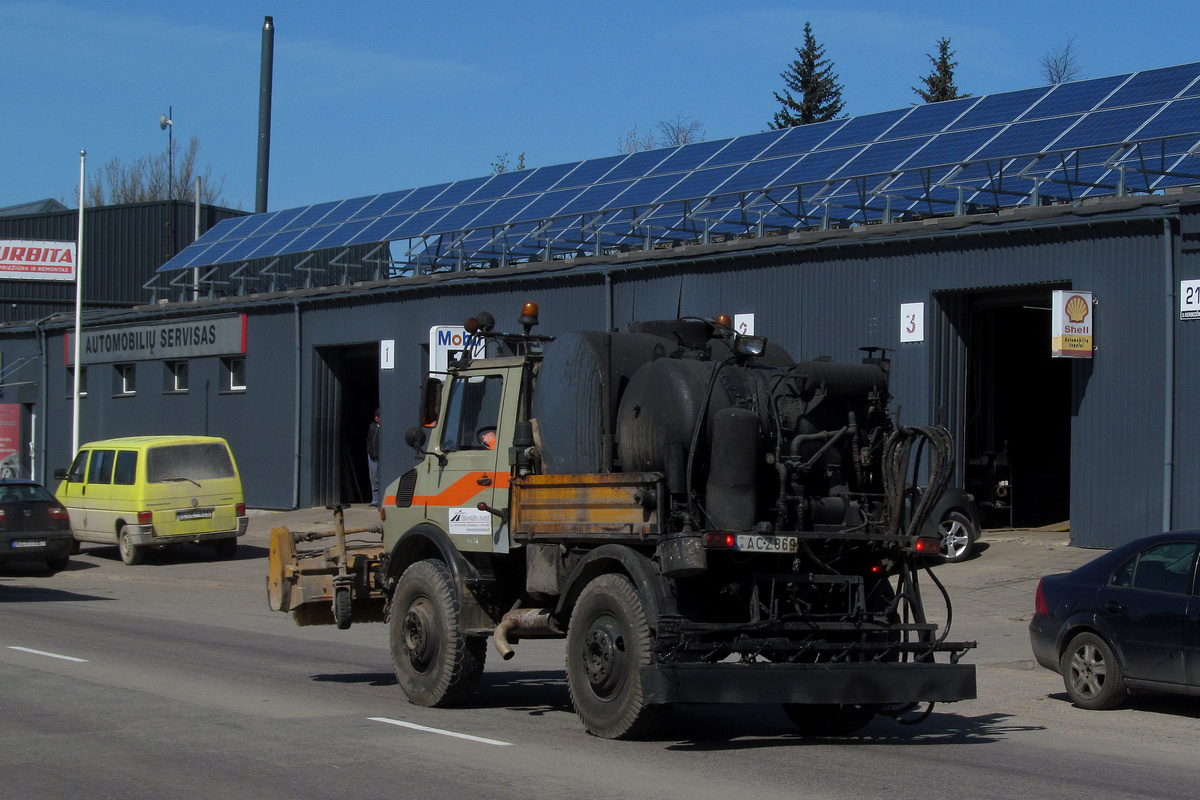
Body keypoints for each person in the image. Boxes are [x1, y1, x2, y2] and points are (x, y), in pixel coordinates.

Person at [367, 408, 380, 507]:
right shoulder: (372, 427)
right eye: (376, 416)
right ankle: (375, 500)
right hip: (372, 456)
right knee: (374, 478)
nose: (376, 417)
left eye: (378, 416)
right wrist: (369, 452)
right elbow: (369, 440)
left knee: (381, 478)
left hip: (381, 457)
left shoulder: (384, 427)